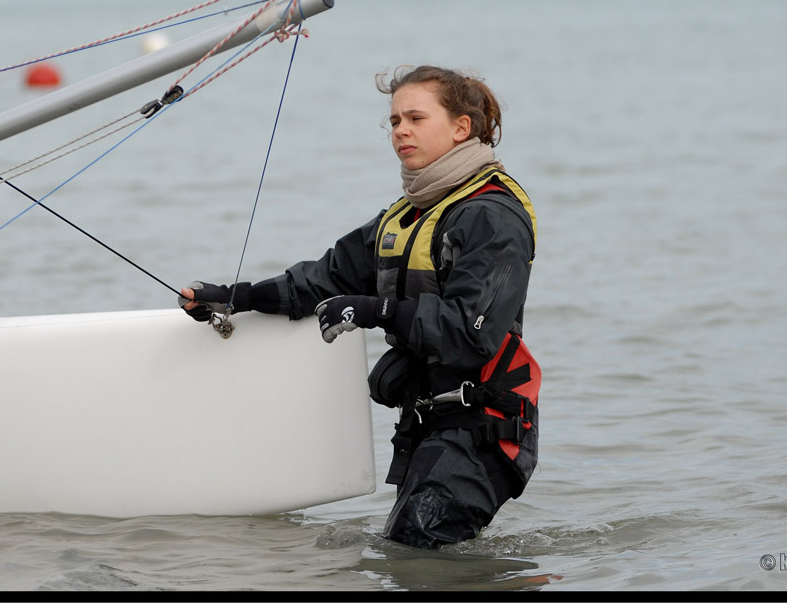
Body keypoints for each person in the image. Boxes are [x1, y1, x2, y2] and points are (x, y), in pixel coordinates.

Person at [179, 65, 540, 550]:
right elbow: (320, 280)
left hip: (487, 430)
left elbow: (468, 332)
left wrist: (376, 310)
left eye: (415, 117)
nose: (401, 131)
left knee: (415, 544)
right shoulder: (404, 216)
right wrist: (235, 297)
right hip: (428, 424)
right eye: (394, 121)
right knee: (400, 550)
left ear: (461, 128)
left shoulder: (492, 217)